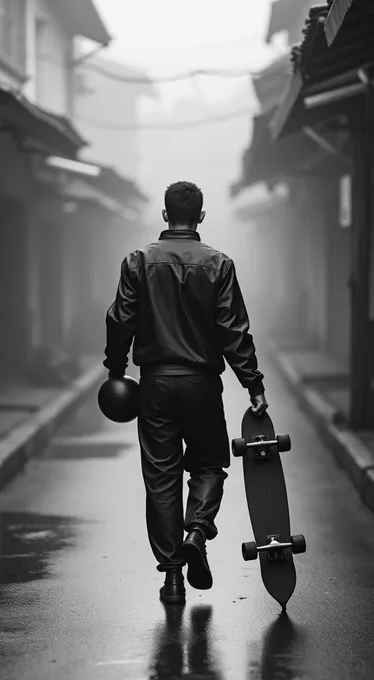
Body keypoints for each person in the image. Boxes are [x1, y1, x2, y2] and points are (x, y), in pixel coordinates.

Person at [104, 181, 267, 605]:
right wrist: (253, 384)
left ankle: (173, 578)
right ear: (201, 216)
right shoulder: (219, 264)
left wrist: (117, 368)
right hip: (201, 384)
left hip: (155, 384)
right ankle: (197, 529)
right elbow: (233, 330)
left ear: (163, 215)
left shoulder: (137, 261)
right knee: (210, 464)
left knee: (161, 477)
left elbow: (121, 317)